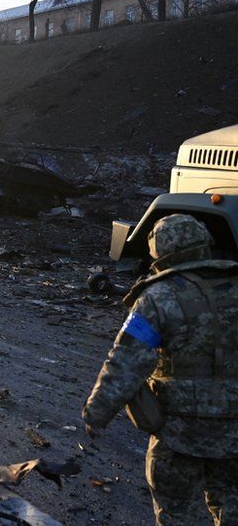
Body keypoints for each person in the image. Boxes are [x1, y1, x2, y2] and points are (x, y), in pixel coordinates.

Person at [83, 214, 238, 525]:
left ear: (158, 254)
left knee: (174, 513)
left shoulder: (157, 297)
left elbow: (126, 362)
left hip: (180, 433)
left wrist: (96, 413)